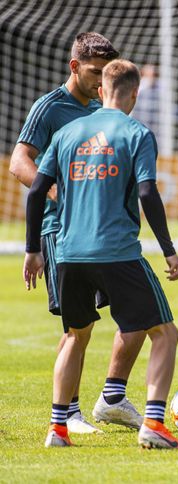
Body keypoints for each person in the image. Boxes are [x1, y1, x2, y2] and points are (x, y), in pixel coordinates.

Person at [23, 59, 178, 449]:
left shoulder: (68, 132)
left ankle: (57, 430)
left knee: (75, 336)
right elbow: (148, 192)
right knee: (165, 334)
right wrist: (169, 251)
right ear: (135, 93)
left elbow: (34, 192)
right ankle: (153, 424)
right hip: (116, 252)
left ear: (101, 91)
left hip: (68, 253)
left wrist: (32, 249)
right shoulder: (137, 133)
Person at [9, 32, 145, 433]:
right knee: (77, 328)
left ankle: (112, 398)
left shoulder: (106, 110)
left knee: (134, 316)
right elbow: (20, 162)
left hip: (104, 233)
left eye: (107, 74)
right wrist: (57, 193)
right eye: (95, 73)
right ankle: (68, 413)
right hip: (61, 229)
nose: (102, 82)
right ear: (74, 67)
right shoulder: (50, 108)